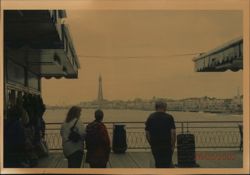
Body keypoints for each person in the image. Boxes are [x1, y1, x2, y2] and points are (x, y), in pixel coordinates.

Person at [145, 100, 176, 168]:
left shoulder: (150, 117)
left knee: (158, 163)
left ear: (156, 107)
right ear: (164, 107)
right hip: (166, 145)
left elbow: (147, 134)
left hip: (155, 145)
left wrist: (152, 143)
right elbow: (173, 133)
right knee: (167, 164)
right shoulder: (169, 117)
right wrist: (173, 145)